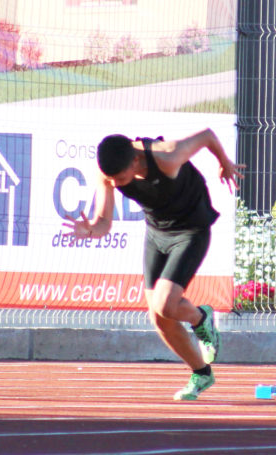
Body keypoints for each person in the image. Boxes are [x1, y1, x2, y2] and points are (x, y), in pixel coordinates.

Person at [63, 129, 244, 400]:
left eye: (120, 179)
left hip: (191, 230)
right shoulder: (109, 175)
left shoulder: (167, 155)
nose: (114, 184)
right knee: (158, 317)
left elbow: (207, 136)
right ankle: (201, 373)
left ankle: (201, 318)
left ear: (135, 161)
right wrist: (90, 228)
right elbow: (104, 223)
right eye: (110, 179)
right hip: (157, 235)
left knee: (167, 304)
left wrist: (224, 163)